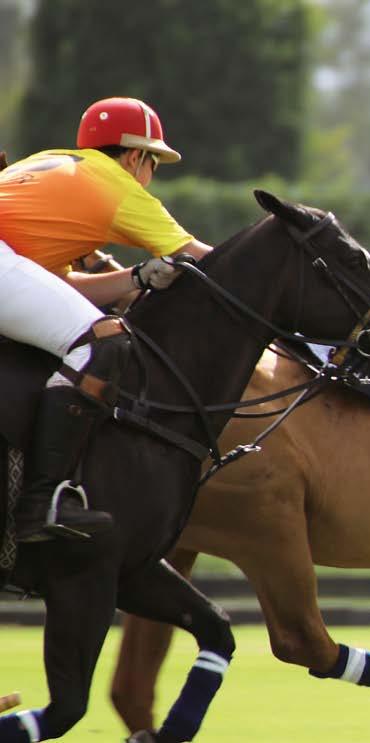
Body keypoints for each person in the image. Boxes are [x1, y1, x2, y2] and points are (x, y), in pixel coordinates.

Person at [0, 96, 214, 543]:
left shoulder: (49, 164)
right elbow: (206, 263)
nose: (150, 177)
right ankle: (42, 503)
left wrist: (135, 277)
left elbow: (60, 289)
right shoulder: (116, 183)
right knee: (104, 339)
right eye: (153, 164)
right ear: (135, 157)